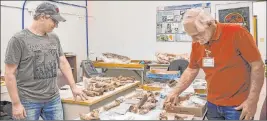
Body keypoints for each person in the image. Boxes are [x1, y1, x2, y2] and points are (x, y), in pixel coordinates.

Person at [164, 8, 265, 120]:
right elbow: (191, 70)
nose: (194, 40)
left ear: (210, 24)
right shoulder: (198, 42)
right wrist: (175, 92)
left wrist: (252, 101)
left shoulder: (237, 32)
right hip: (212, 104)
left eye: (197, 34)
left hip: (237, 106)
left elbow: (257, 66)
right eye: (191, 36)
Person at [4, 2, 88, 120]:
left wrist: (73, 87)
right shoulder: (18, 40)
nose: (56, 25)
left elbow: (63, 63)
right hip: (28, 101)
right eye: (54, 21)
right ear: (43, 17)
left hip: (53, 99)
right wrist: (16, 104)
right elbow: (9, 73)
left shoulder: (54, 38)